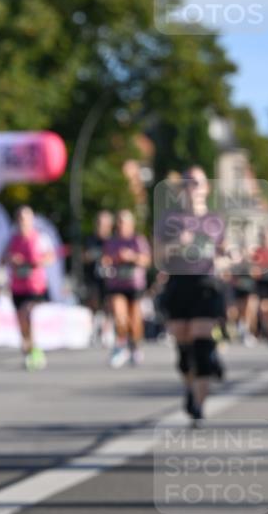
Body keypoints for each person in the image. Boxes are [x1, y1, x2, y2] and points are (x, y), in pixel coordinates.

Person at [156, 167, 226, 422]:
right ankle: (190, 387)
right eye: (187, 183)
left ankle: (198, 403)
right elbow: (159, 254)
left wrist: (229, 260)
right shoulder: (169, 219)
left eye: (196, 183)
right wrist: (178, 243)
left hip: (206, 284)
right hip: (178, 283)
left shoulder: (215, 221)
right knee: (184, 351)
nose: (192, 187)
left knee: (201, 344)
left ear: (206, 188)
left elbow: (224, 252)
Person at [2, 205, 54, 370]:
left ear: (31, 220)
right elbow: (2, 259)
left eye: (25, 218)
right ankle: (31, 349)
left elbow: (50, 257)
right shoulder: (12, 239)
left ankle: (33, 349)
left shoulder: (40, 237)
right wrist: (12, 259)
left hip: (35, 286)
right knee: (21, 321)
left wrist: (36, 261)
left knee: (27, 313)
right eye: (19, 218)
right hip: (18, 287)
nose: (22, 222)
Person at [101, 210, 151, 367]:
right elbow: (105, 260)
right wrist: (114, 259)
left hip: (134, 284)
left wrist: (132, 257)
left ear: (131, 224)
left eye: (125, 222)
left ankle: (135, 345)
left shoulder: (138, 240)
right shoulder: (112, 242)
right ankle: (121, 345)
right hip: (117, 284)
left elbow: (146, 261)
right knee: (119, 315)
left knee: (135, 320)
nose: (122, 226)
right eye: (119, 222)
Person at [83, 210, 113, 346]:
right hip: (94, 277)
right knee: (94, 302)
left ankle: (107, 331)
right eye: (100, 224)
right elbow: (85, 256)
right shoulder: (90, 239)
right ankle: (94, 330)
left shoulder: (113, 240)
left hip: (110, 278)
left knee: (109, 303)